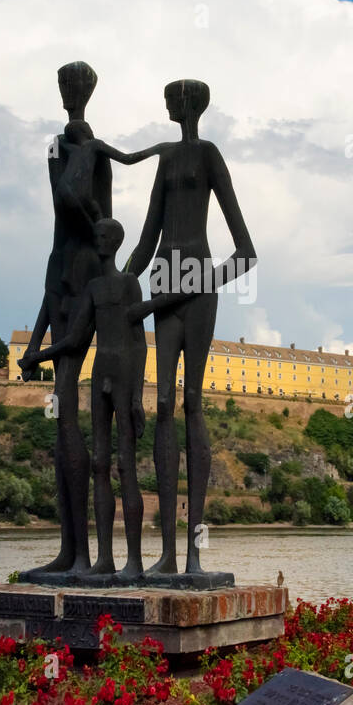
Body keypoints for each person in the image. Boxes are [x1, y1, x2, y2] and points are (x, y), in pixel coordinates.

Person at [124, 79, 257, 575]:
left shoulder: (208, 155)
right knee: (162, 404)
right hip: (164, 276)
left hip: (195, 284)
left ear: (191, 104)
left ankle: (195, 555)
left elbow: (246, 251)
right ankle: (166, 555)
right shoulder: (165, 161)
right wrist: (119, 284)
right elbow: (146, 237)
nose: (171, 103)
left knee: (194, 401)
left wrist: (201, 281)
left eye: (176, 97)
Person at [21, 218, 183, 579]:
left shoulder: (129, 284)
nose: (97, 242)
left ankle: (135, 563)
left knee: (125, 465)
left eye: (102, 237)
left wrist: (139, 395)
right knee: (99, 464)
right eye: (95, 237)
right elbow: (77, 339)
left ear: (114, 242)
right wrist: (38, 355)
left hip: (125, 373)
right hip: (100, 375)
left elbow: (140, 342)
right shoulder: (94, 288)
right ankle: (105, 559)